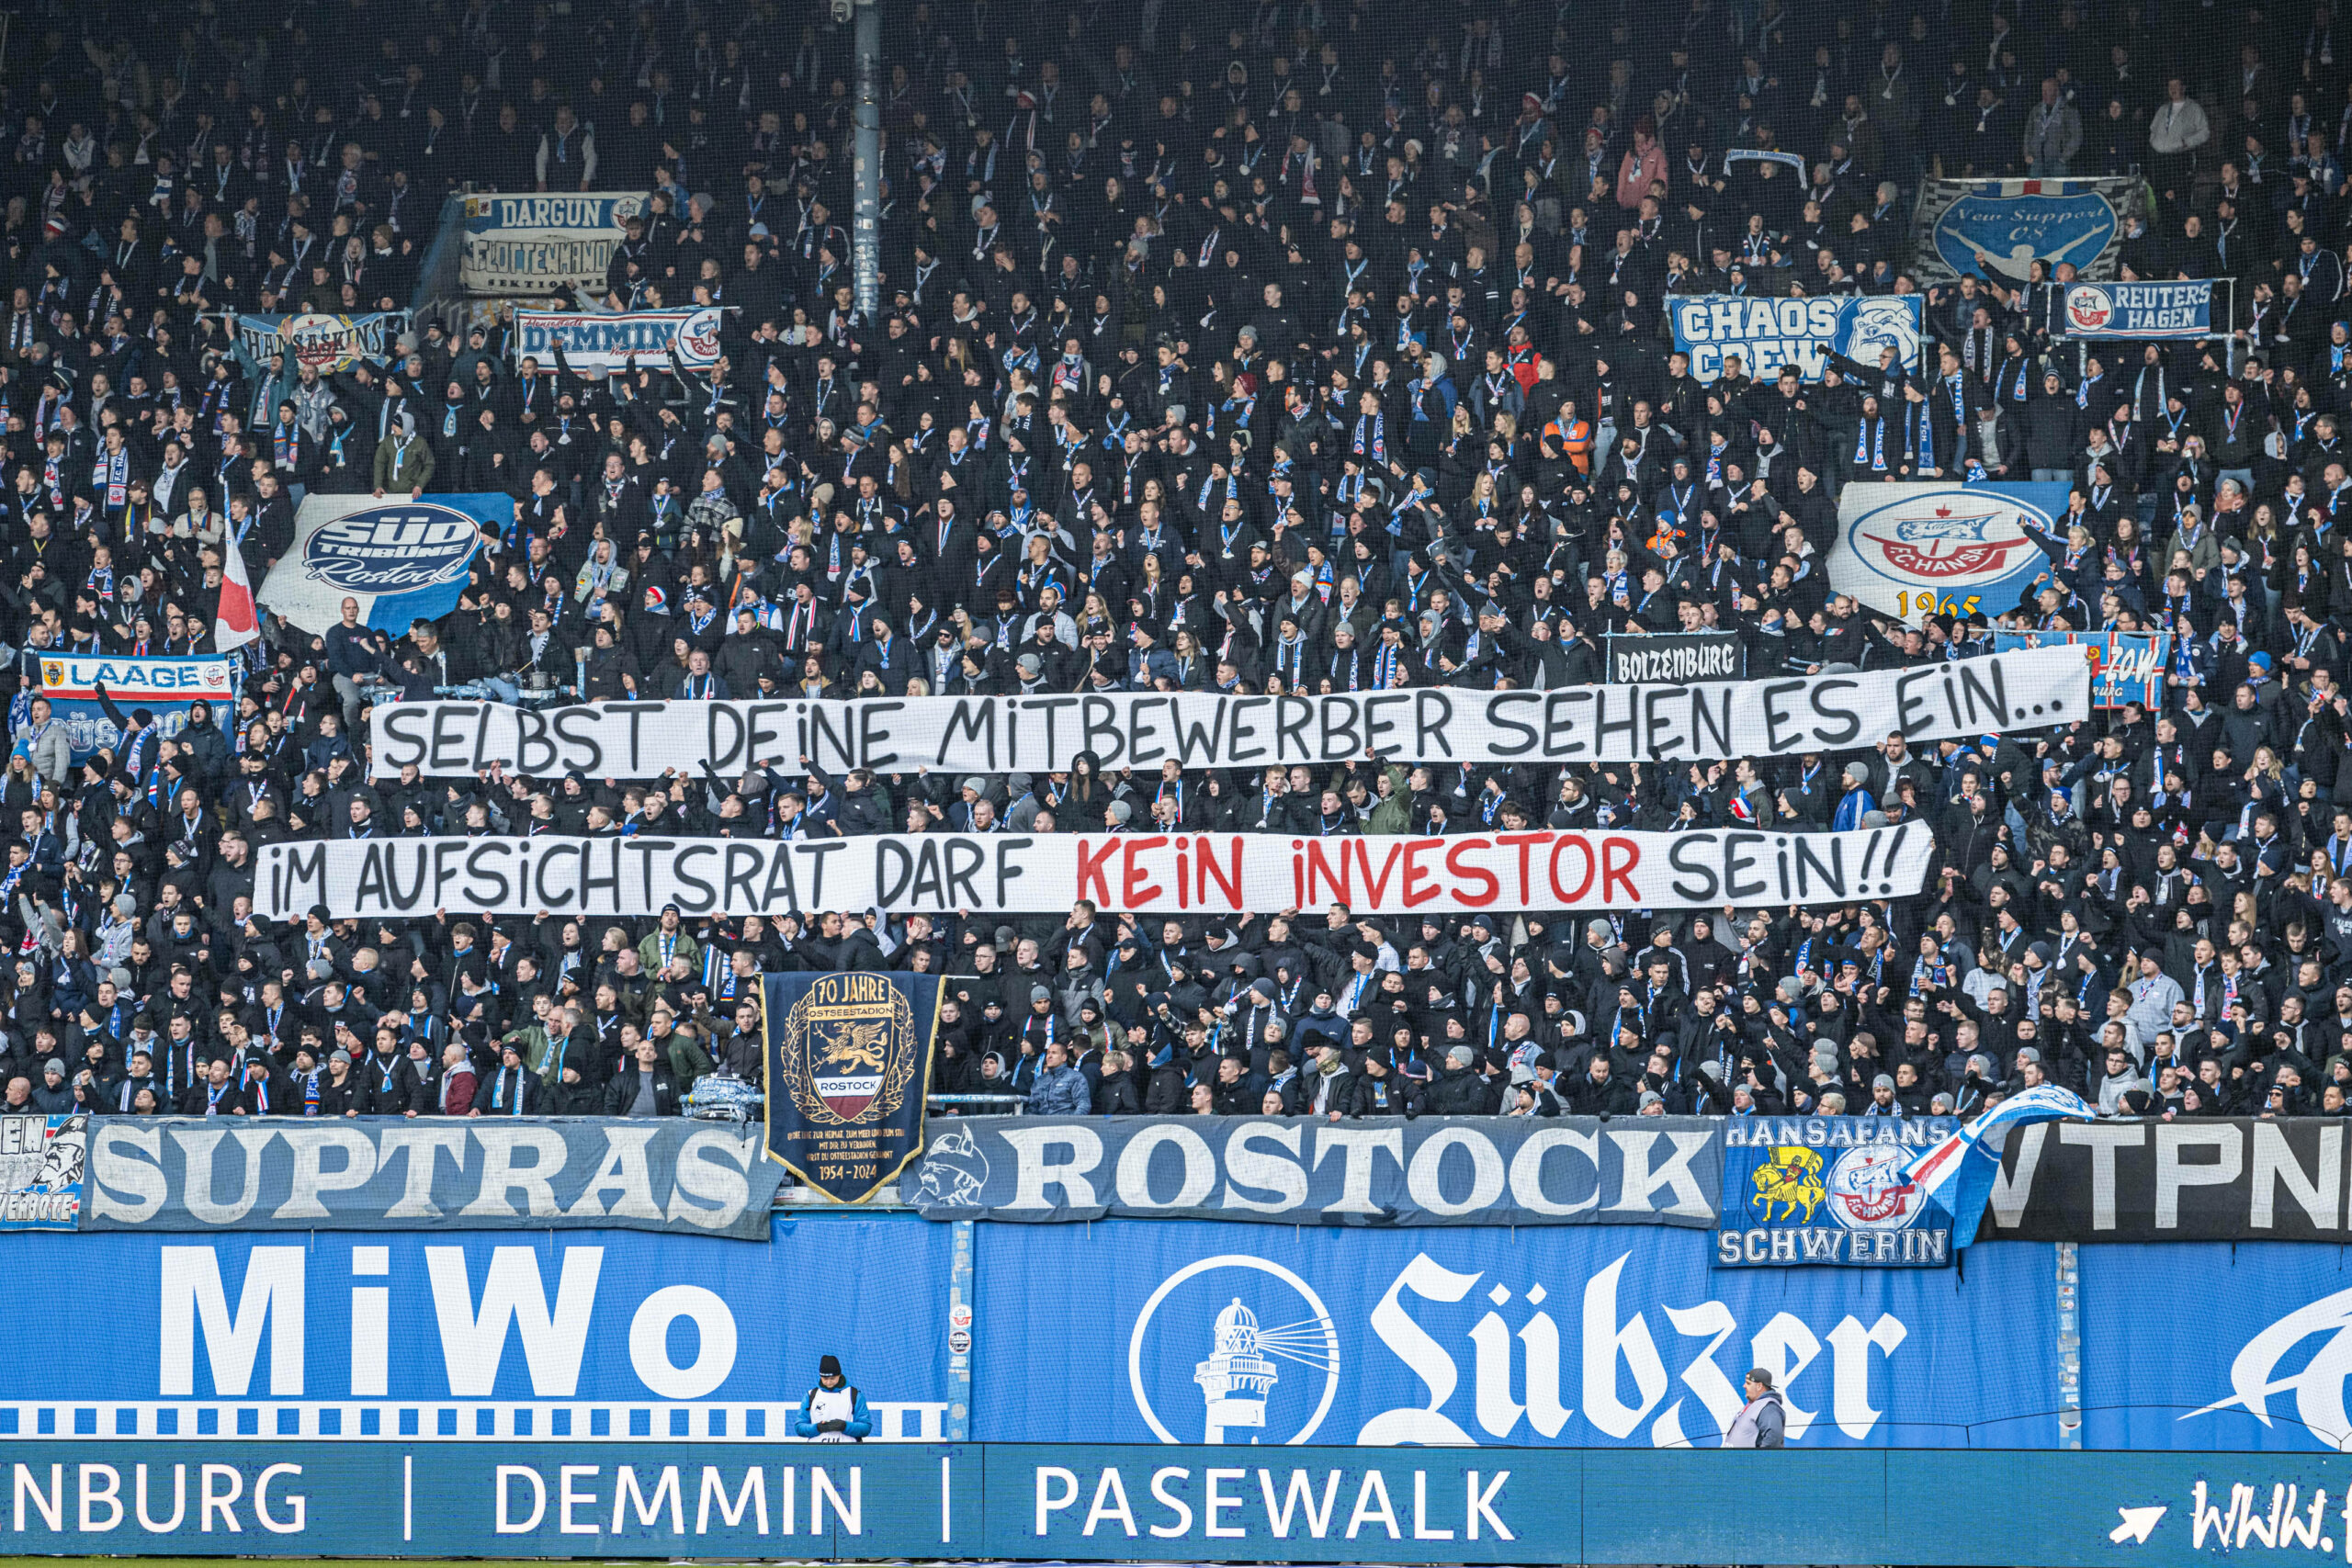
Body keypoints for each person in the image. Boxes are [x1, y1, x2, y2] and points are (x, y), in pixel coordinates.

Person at [794, 1354, 872, 1443]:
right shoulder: (811, 1395)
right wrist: (817, 1428)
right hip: (816, 1452)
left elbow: (866, 1427)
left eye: (832, 1378)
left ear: (839, 1375)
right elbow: (799, 1427)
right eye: (825, 1378)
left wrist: (845, 1426)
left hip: (848, 1451)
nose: (829, 1382)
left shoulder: (854, 1395)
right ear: (820, 1376)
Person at [1725, 1368, 1787, 1449]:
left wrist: (1758, 1459)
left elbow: (1773, 1438)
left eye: (1748, 1383)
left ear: (1759, 1386)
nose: (1744, 1386)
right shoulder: (1755, 1405)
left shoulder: (1769, 1408)